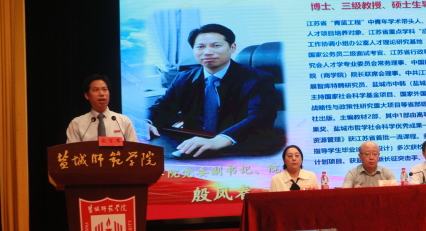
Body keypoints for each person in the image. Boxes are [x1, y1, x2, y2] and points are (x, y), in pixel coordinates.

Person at [146, 23, 280, 158]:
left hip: (239, 146)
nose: (207, 52)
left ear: (232, 47)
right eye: (200, 47)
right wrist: (146, 123)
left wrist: (219, 140)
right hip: (194, 145)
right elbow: (163, 107)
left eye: (216, 45)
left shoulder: (258, 78)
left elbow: (259, 116)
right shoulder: (184, 78)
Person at [66, 74, 138, 143]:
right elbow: (71, 150)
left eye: (104, 89)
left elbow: (134, 149)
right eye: (96, 90)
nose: (101, 93)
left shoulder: (124, 121)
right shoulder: (76, 124)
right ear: (87, 95)